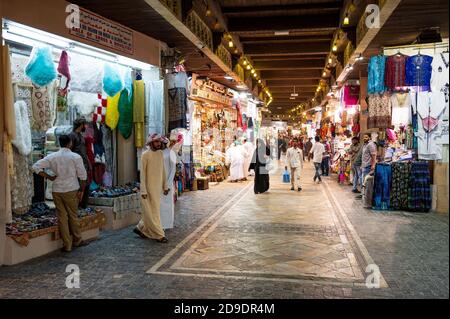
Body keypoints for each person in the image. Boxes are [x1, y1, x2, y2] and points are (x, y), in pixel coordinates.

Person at [32, 135, 89, 252]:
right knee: (73, 215)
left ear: (60, 143)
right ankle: (77, 240)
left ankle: (67, 245)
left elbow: (35, 166)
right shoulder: (75, 157)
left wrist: (49, 177)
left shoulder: (52, 157)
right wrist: (81, 191)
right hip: (71, 189)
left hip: (57, 190)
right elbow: (83, 176)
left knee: (62, 217)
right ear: (70, 143)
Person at [134, 134, 170, 243]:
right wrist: (143, 190)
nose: (158, 144)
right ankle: (159, 234)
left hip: (158, 187)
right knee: (154, 211)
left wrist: (165, 186)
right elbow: (142, 175)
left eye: (159, 142)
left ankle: (140, 227)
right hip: (148, 188)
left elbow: (163, 171)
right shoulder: (145, 155)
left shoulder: (160, 154)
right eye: (156, 142)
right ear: (151, 143)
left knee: (152, 210)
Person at [69, 118, 90, 209]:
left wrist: (88, 163)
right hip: (76, 166)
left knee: (85, 186)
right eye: (84, 124)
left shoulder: (80, 136)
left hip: (83, 164)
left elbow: (83, 151)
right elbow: (69, 150)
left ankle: (83, 206)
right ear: (81, 125)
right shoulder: (72, 136)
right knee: (78, 187)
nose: (85, 126)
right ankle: (77, 207)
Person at [160, 136, 177, 230]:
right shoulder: (158, 153)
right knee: (160, 204)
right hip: (159, 182)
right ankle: (160, 224)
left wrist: (168, 184)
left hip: (167, 183)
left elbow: (173, 170)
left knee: (167, 204)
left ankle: (167, 224)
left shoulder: (171, 153)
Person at [358, 133, 378, 199]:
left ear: (369, 137)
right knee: (363, 181)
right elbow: (364, 156)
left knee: (367, 182)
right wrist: (362, 165)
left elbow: (373, 155)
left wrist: (373, 165)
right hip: (364, 165)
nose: (364, 138)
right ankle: (363, 195)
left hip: (368, 166)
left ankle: (367, 197)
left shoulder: (371, 145)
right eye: (364, 137)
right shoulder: (365, 145)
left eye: (366, 137)